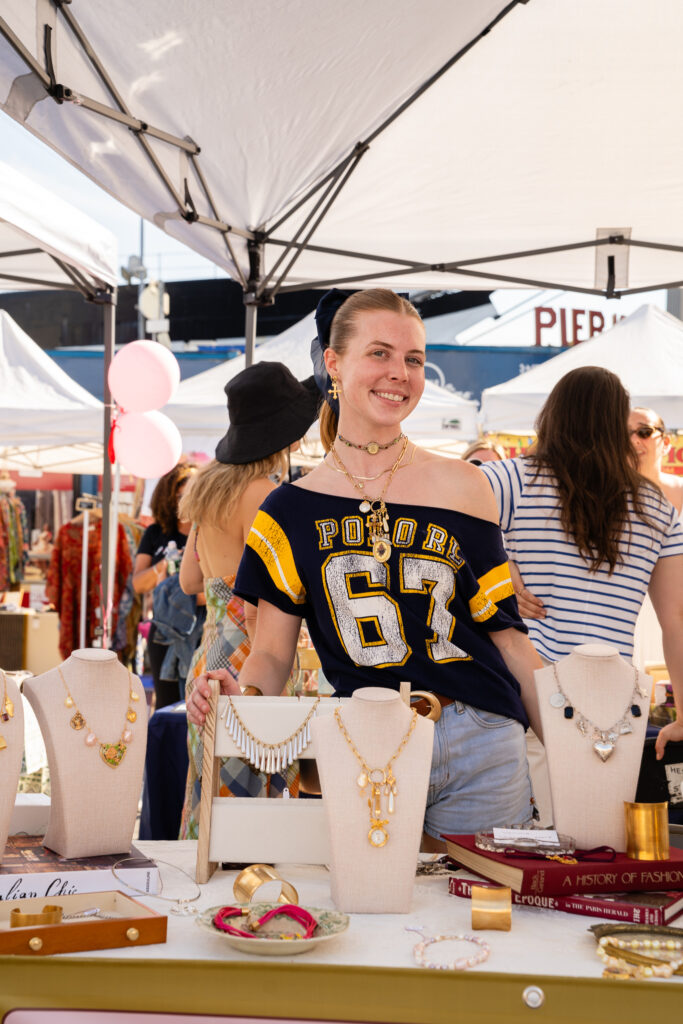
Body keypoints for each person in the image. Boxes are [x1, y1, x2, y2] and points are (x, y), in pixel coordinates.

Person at [188, 288, 545, 850]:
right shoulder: (287, 511)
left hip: (482, 742)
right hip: (361, 745)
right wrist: (243, 696)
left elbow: (509, 641)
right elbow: (275, 652)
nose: (398, 373)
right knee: (369, 920)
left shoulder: (465, 486)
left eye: (413, 359)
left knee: (486, 924)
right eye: (379, 353)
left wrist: (573, 758)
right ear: (333, 362)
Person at [479, 368, 683, 781]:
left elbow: (445, 535)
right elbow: (675, 619)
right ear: (615, 424)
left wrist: (503, 566)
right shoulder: (658, 510)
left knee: (525, 839)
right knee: (601, 839)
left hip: (526, 690)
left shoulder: (510, 481)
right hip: (616, 702)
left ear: (552, 414)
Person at [177, 361, 321, 839]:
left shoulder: (207, 489)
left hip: (210, 656)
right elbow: (261, 607)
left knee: (212, 792)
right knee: (255, 801)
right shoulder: (267, 494)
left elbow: (189, 580)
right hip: (253, 658)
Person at [132, 461, 197, 709]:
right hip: (163, 630)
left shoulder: (208, 530)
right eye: (180, 495)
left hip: (199, 629)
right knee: (168, 704)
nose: (185, 501)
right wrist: (167, 563)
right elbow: (138, 583)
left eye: (192, 494)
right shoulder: (155, 533)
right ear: (167, 497)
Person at [628, 407, 683, 514]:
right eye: (625, 434)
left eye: (644, 432)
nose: (633, 441)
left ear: (665, 444)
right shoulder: (606, 496)